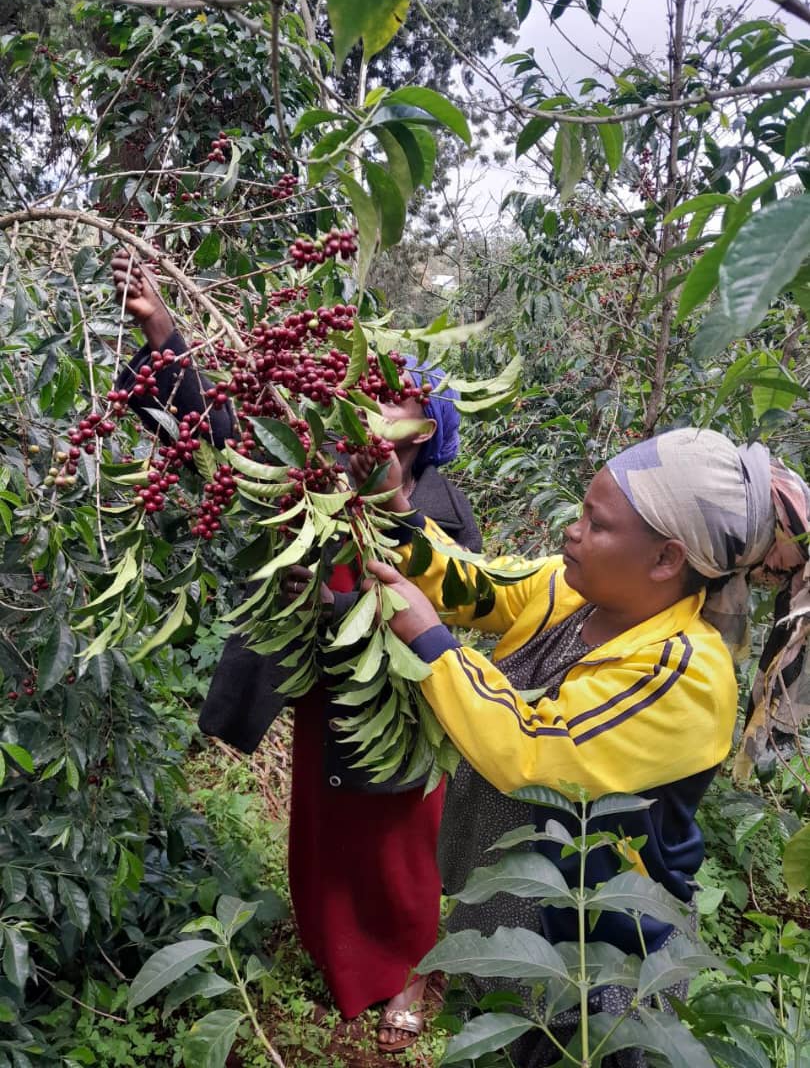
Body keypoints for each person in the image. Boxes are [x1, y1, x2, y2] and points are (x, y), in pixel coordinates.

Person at [110, 251, 482, 1054]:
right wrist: (166, 330)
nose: (378, 409)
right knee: (323, 831)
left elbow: (451, 602)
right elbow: (216, 428)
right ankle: (343, 961)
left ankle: (415, 969)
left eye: (401, 401)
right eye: (373, 392)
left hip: (400, 704)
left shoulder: (445, 509)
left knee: (399, 848)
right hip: (322, 690)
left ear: (430, 429)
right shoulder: (310, 467)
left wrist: (340, 600)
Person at [351, 427, 810, 1066]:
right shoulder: (572, 590)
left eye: (596, 524)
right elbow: (472, 582)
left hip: (595, 964)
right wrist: (392, 505)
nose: (572, 530)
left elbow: (533, 751)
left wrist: (433, 646)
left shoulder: (687, 671)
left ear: (665, 560)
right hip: (511, 920)